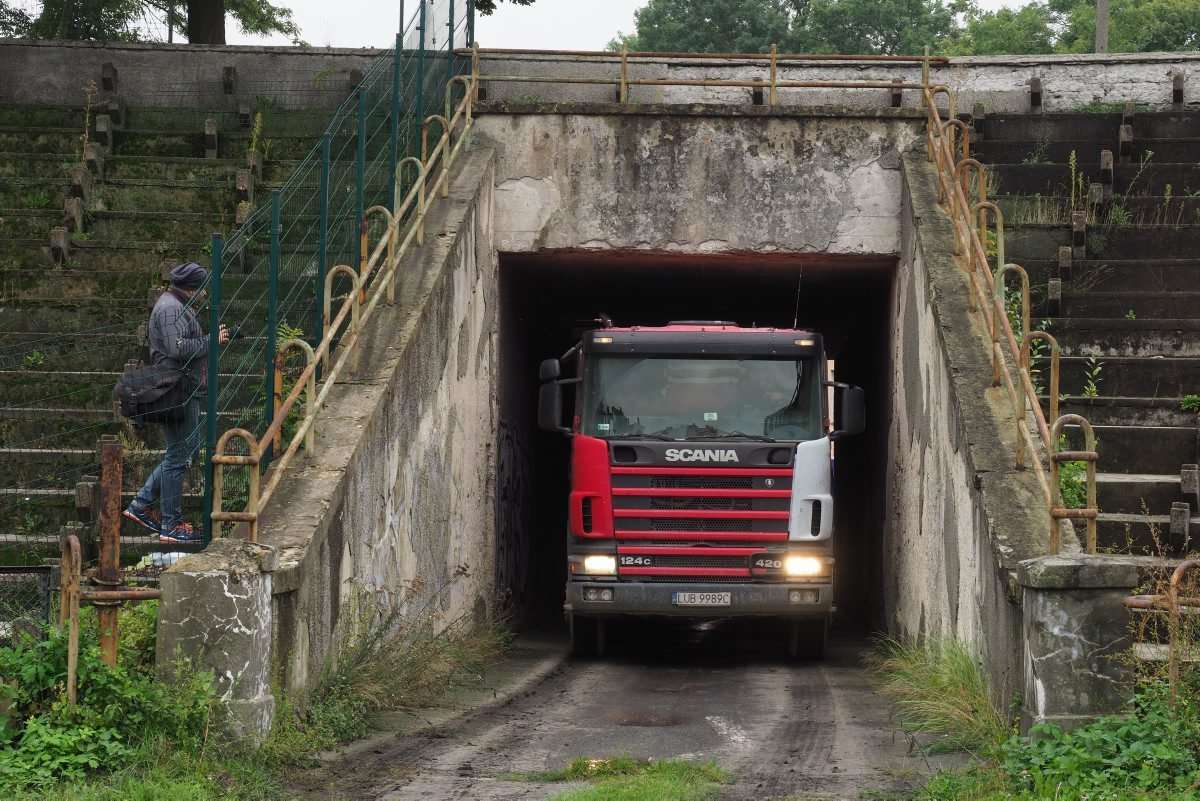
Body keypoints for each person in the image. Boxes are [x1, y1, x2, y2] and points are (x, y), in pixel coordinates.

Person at [122, 262, 229, 544]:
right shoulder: (171, 308)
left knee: (182, 453)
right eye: (202, 289)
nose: (205, 294)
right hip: (176, 389)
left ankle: (142, 505)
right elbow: (176, 348)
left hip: (184, 388)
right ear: (192, 287)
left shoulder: (176, 305)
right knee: (178, 457)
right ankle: (169, 524)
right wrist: (211, 341)